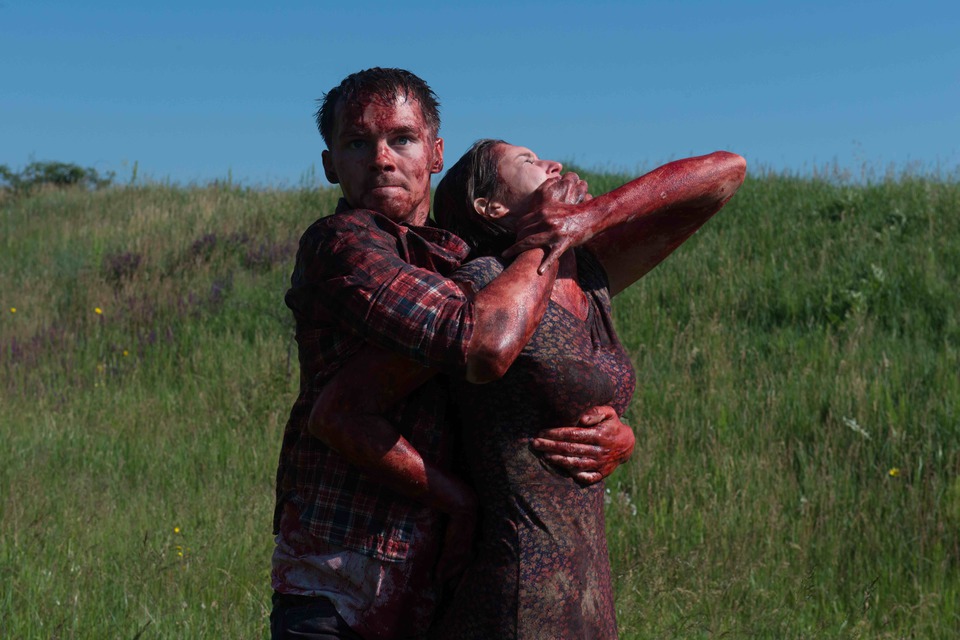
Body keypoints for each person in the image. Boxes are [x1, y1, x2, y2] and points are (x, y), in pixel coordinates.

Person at [311, 140, 746, 638]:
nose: (553, 164)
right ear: (490, 207)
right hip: (516, 584)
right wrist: (458, 501)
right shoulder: (484, 285)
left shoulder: (589, 278)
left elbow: (726, 173)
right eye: (528, 162)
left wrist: (589, 218)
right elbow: (342, 411)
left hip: (586, 585)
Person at [271, 68, 636, 640]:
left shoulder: (465, 259)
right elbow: (480, 343)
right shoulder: (342, 244)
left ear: (436, 154)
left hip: (441, 584)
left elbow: (533, 375)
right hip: (343, 579)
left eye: (402, 139)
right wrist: (551, 234)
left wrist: (615, 431)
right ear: (329, 164)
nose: (381, 159)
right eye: (357, 143)